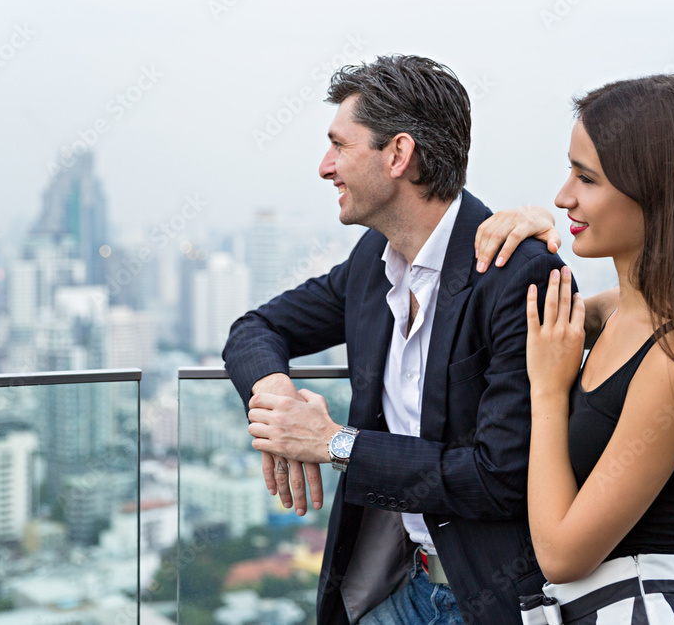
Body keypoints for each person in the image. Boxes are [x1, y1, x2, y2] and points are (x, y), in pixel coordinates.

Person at [223, 54, 571, 624]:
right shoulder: (372, 263)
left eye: (340, 145)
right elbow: (256, 328)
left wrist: (335, 443)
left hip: (490, 601)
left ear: (398, 155)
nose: (325, 167)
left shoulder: (516, 275)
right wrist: (278, 400)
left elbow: (500, 478)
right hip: (404, 587)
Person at [481, 74, 674, 623]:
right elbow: (498, 331)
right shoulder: (617, 311)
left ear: (658, 193)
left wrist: (548, 391)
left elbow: (562, 556)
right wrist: (528, 228)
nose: (563, 196)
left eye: (586, 178)